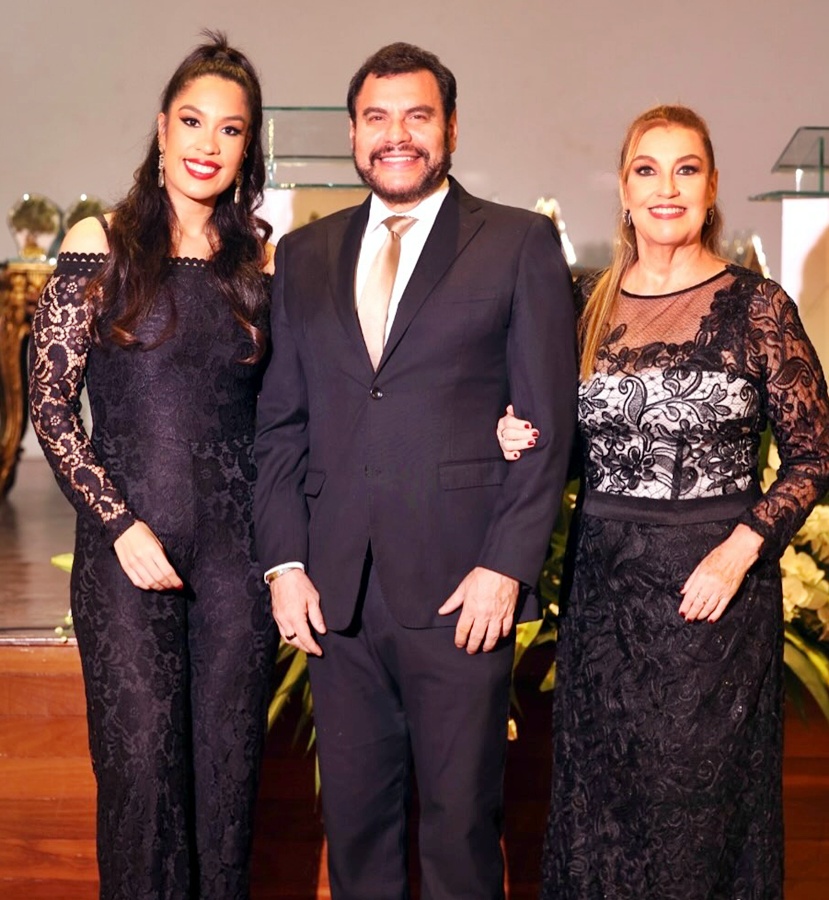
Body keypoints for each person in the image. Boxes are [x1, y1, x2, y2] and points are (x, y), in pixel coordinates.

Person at [253, 41, 577, 900]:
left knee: (460, 831)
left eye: (417, 116)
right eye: (376, 118)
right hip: (335, 597)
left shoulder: (517, 242)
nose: (395, 135)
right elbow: (281, 425)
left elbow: (545, 423)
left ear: (451, 128)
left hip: (461, 592)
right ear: (353, 134)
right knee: (355, 834)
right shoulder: (304, 254)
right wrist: (285, 565)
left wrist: (505, 567)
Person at [497, 105, 829, 899]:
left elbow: (813, 456)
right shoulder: (584, 305)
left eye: (685, 170)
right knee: (603, 814)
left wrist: (738, 550)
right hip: (603, 599)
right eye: (647, 170)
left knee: (696, 820)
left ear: (710, 187)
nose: (666, 188)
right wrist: (516, 435)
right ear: (623, 188)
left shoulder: (757, 306)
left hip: (713, 600)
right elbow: (570, 448)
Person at [29, 32, 277, 900]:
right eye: (193, 121)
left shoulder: (261, 259)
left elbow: (298, 409)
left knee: (227, 785)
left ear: (248, 147)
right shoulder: (102, 242)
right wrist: (119, 524)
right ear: (162, 129)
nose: (209, 144)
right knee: (139, 783)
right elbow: (51, 405)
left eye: (231, 129)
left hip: (238, 565)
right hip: (127, 558)